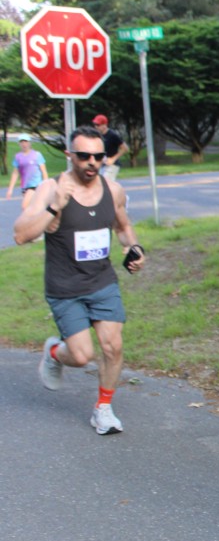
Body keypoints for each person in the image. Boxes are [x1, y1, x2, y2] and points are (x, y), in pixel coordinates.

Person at [12, 126, 147, 436]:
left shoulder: (113, 190)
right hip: (65, 287)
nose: (92, 162)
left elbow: (123, 227)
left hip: (102, 282)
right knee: (82, 356)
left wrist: (134, 248)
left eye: (98, 156)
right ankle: (54, 352)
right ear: (69, 155)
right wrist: (54, 207)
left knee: (113, 346)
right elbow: (20, 235)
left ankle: (103, 409)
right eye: (84, 156)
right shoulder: (51, 188)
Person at [6, 133, 48, 210]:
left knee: (25, 207)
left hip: (36, 185)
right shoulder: (18, 157)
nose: (24, 144)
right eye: (21, 142)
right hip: (25, 186)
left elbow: (44, 171)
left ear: (29, 143)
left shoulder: (37, 155)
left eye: (26, 142)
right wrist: (10, 189)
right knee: (32, 208)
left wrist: (46, 185)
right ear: (19, 144)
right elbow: (15, 173)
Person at [92, 114, 128, 181]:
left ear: (104, 125)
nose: (96, 127)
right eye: (95, 124)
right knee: (99, 182)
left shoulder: (112, 135)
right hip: (102, 164)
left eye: (98, 125)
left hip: (112, 165)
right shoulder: (98, 135)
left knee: (105, 182)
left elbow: (125, 148)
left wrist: (112, 159)